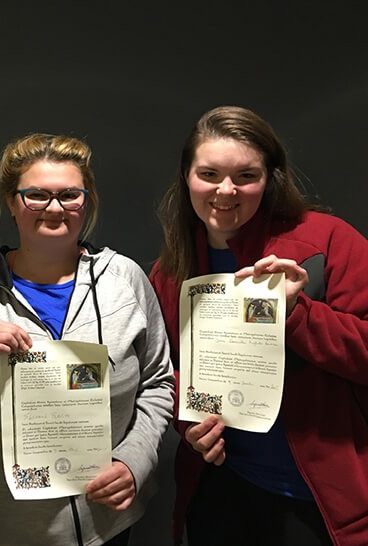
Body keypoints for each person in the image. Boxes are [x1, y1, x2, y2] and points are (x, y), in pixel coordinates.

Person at [0, 133, 176, 546]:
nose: (54, 208)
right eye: (36, 195)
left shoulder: (126, 281)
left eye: (69, 195)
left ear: (87, 202)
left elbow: (159, 383)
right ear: (12, 203)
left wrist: (135, 461)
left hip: (104, 522)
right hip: (2, 527)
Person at [149, 105, 368, 546]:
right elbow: (166, 375)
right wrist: (187, 424)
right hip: (224, 485)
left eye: (246, 176)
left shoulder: (327, 241)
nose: (225, 191)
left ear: (269, 179)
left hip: (323, 500)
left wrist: (298, 312)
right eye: (209, 174)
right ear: (187, 177)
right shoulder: (171, 272)